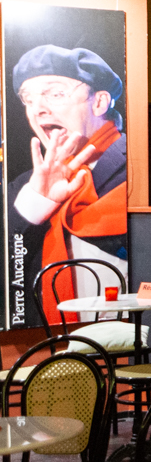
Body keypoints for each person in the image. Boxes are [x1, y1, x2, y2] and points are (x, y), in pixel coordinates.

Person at [10, 45, 128, 326]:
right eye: (28, 99)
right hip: (50, 341)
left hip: (134, 335)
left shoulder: (140, 169)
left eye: (55, 94)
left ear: (99, 103)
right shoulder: (25, 186)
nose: (38, 109)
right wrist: (36, 203)